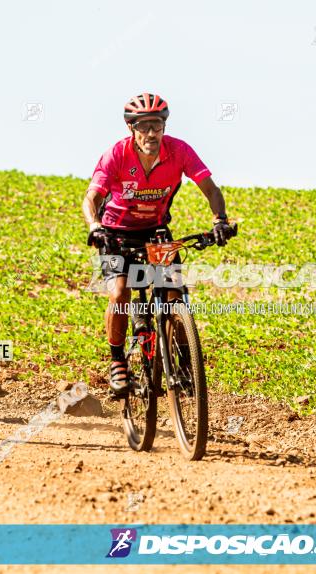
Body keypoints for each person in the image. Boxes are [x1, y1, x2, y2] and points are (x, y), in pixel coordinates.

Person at [82, 92, 231, 399]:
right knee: (120, 292)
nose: (152, 133)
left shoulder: (179, 151)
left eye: (157, 125)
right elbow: (91, 198)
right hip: (115, 234)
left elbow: (210, 189)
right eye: (144, 126)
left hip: (156, 233)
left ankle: (185, 361)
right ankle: (117, 362)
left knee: (174, 291)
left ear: (164, 126)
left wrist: (220, 221)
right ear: (131, 128)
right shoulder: (117, 155)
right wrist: (95, 226)